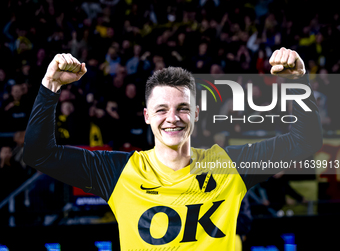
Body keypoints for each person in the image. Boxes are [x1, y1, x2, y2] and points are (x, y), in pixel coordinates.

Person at [23, 47, 322, 250]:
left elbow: (305, 141)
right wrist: (50, 86)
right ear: (147, 116)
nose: (172, 118)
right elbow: (39, 154)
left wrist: (298, 83)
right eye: (162, 109)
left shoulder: (229, 166)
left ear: (196, 113)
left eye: (182, 108)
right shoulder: (117, 172)